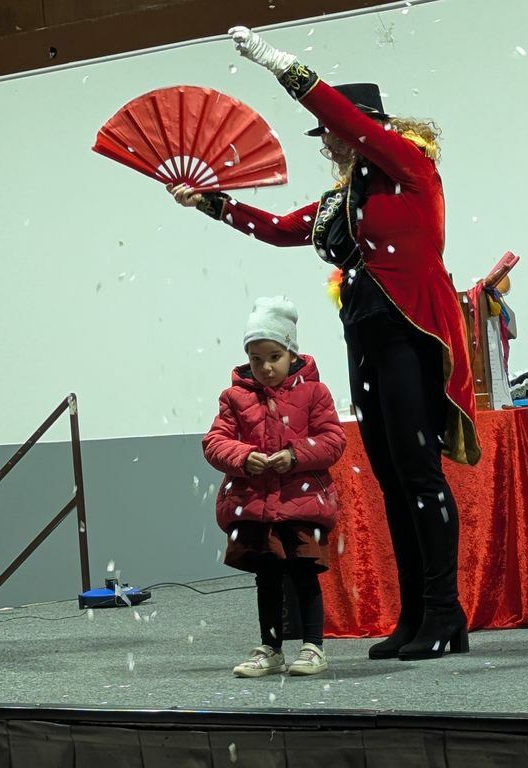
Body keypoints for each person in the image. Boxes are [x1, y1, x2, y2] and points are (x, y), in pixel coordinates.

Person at [169, 26, 481, 661]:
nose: (327, 142)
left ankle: (445, 612)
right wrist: (213, 204)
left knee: (419, 473)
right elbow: (281, 228)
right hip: (367, 334)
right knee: (392, 479)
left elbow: (349, 123)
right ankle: (416, 614)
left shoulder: (408, 165)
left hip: (411, 330)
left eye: (332, 131)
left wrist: (281, 65)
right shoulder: (346, 198)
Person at [202, 296, 346, 677]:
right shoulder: (234, 398)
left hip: (303, 504)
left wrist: (296, 455)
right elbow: (215, 442)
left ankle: (313, 646)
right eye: (256, 359)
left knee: (304, 573)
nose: (265, 367)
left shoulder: (315, 393)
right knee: (266, 578)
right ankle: (271, 647)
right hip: (256, 506)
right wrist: (243, 456)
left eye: (274, 357)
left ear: (291, 352)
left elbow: (333, 440)